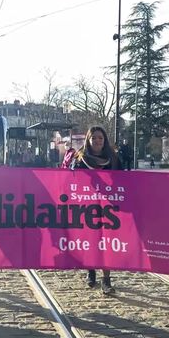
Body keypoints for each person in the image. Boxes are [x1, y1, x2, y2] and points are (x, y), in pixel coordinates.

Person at [72, 126, 120, 294]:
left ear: (104, 140)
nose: (98, 141)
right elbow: (72, 180)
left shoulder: (113, 158)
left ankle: (106, 280)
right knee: (91, 241)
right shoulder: (79, 158)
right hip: (86, 206)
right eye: (94, 138)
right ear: (89, 140)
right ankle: (90, 270)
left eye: (100, 138)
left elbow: (123, 180)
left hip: (108, 206)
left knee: (106, 243)